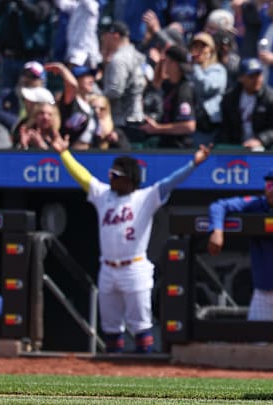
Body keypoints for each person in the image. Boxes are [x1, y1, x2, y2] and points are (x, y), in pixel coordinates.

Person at [48, 133, 211, 353]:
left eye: (116, 175)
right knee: (111, 328)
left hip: (134, 268)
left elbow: (170, 182)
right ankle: (114, 374)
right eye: (111, 174)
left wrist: (194, 163)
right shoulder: (103, 194)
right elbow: (84, 178)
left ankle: (144, 373)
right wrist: (64, 154)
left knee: (141, 326)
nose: (111, 178)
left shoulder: (145, 197)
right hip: (107, 267)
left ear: (129, 179)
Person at [207, 168, 273, 328]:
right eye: (269, 186)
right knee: (257, 341)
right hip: (263, 290)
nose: (272, 191)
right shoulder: (256, 204)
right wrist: (216, 230)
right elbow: (219, 206)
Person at [219, 58, 273, 149]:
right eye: (251, 76)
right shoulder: (231, 98)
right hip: (239, 146)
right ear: (241, 78)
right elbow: (225, 128)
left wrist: (260, 140)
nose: (256, 79)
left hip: (267, 147)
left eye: (259, 75)